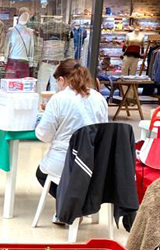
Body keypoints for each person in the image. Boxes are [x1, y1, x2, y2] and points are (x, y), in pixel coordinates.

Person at [35, 59, 107, 206]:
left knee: (41, 174)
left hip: (64, 161)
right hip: (93, 162)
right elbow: (103, 129)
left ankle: (71, 206)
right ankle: (79, 204)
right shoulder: (99, 98)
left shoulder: (58, 99)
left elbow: (44, 135)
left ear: (61, 80)